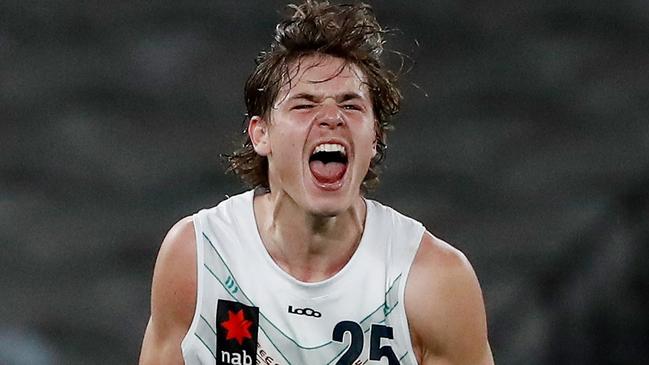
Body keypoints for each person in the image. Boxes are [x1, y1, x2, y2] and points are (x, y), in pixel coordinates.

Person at [139, 1, 494, 364]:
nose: (331, 118)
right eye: (304, 105)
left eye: (351, 106)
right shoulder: (199, 258)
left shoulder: (433, 281)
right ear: (261, 135)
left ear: (375, 139)